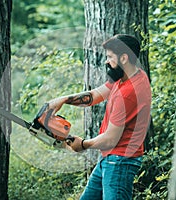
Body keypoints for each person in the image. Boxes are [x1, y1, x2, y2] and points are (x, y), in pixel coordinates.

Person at [47, 34, 151, 200]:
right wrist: (64, 99)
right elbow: (95, 95)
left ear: (124, 58)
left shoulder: (128, 93)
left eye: (110, 57)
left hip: (120, 161)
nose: (106, 61)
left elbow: (110, 139)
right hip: (110, 159)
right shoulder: (129, 76)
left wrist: (82, 144)